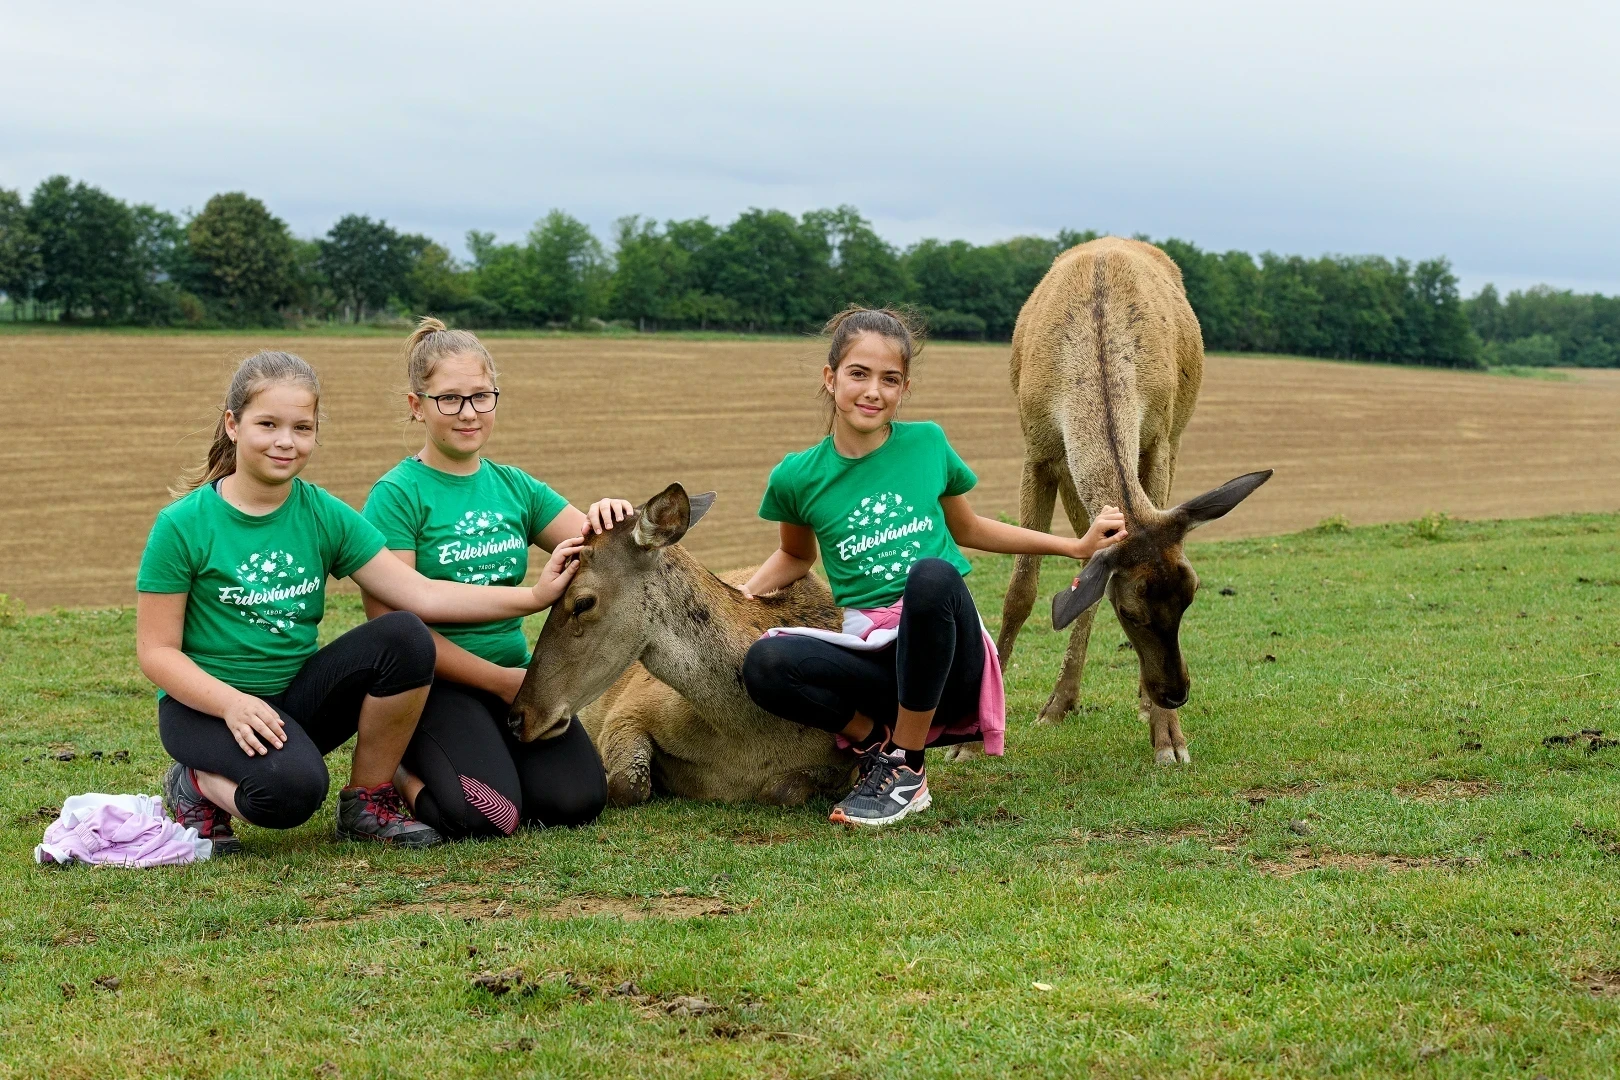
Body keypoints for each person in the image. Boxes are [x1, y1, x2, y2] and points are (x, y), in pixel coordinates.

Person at [135, 350, 584, 853]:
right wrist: (232, 703)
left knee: (405, 635)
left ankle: (367, 801)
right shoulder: (181, 525)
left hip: (293, 702)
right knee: (290, 793)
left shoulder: (325, 514)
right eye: (268, 424)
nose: (286, 441)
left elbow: (418, 593)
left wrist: (532, 597)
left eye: (302, 428)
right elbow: (156, 652)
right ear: (233, 425)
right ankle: (193, 784)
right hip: (207, 709)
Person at [740, 308, 1129, 827]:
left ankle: (906, 768)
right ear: (830, 378)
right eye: (859, 373)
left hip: (949, 661)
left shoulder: (926, 444)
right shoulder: (796, 476)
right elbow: (796, 555)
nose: (873, 391)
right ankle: (874, 741)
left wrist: (1074, 546)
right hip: (877, 660)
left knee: (931, 575)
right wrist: (741, 593)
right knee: (762, 664)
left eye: (890, 379)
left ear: (904, 389)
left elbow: (967, 528)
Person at [359, 318, 621, 840]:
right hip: (437, 686)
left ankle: (486, 757)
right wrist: (502, 683)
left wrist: (614, 516)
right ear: (418, 406)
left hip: (515, 677)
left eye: (481, 396)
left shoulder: (515, 487)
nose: (469, 413)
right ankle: (404, 774)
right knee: (488, 816)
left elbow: (599, 553)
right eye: (449, 399)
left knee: (578, 801)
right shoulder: (397, 495)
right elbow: (395, 630)